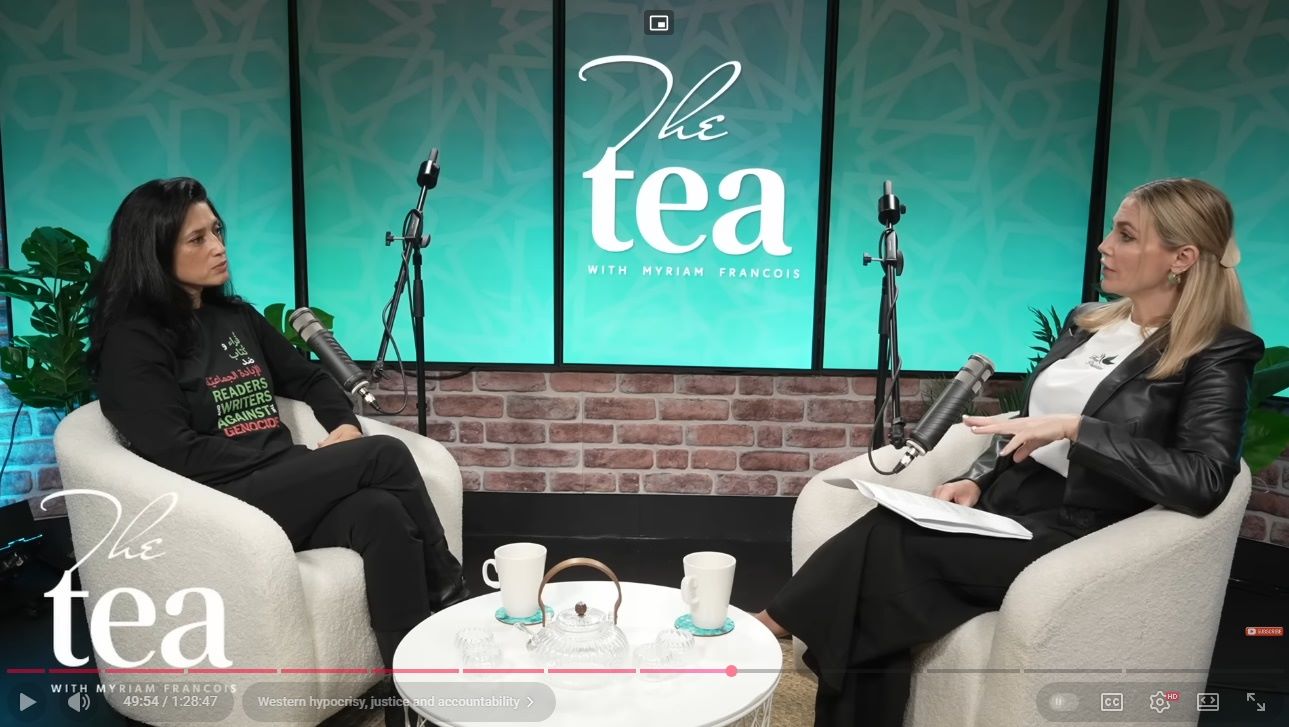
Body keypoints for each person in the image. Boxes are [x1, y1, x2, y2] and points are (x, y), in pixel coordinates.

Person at [754, 178, 1264, 726]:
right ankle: (779, 633)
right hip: (1013, 498)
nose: (1104, 246)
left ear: (1181, 258)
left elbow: (1206, 478)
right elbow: (1032, 427)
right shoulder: (1088, 322)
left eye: (1126, 235)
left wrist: (1079, 429)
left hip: (1081, 527)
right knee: (884, 544)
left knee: (891, 546)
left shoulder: (1219, 352)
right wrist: (978, 481)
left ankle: (770, 626)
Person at [87, 177, 468, 727]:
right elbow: (176, 453)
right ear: (154, 250)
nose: (218, 247)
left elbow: (308, 380)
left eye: (217, 231)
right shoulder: (134, 341)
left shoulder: (235, 318)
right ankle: (453, 593)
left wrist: (343, 427)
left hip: (284, 487)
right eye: (197, 239)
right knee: (383, 456)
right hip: (222, 503)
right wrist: (311, 465)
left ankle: (409, 701)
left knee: (381, 513)